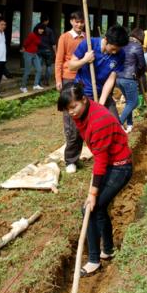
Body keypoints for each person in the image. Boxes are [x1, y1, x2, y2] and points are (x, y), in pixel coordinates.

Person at [58, 82, 132, 276]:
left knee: (89, 208)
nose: (71, 113)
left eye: (73, 107)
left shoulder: (99, 120)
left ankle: (93, 260)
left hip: (120, 167)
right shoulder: (82, 114)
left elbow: (100, 160)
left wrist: (93, 192)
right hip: (109, 163)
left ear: (84, 99)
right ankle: (107, 250)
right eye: (67, 109)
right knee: (98, 208)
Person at [68, 25, 129, 120]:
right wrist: (84, 60)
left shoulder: (121, 54)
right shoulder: (89, 44)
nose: (114, 53)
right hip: (83, 92)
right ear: (105, 40)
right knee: (82, 127)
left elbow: (111, 79)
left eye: (117, 50)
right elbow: (71, 66)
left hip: (102, 92)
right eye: (113, 49)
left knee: (114, 122)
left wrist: (100, 104)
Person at [54, 10, 85, 173]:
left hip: (82, 80)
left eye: (82, 22)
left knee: (82, 117)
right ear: (72, 22)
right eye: (77, 22)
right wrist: (58, 79)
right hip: (68, 78)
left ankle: (76, 156)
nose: (79, 25)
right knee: (70, 118)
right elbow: (59, 60)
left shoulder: (86, 38)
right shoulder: (65, 37)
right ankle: (70, 160)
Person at [116, 28, 146, 133]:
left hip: (118, 78)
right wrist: (139, 74)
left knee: (129, 101)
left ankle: (129, 125)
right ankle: (118, 123)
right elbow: (142, 65)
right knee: (134, 102)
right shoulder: (138, 46)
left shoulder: (123, 44)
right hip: (129, 78)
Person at [20, 23, 46, 93]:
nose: (41, 30)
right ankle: (23, 87)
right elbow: (26, 43)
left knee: (39, 69)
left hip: (35, 54)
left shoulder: (39, 36)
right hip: (28, 54)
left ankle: (36, 85)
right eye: (40, 29)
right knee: (27, 71)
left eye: (43, 29)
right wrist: (23, 49)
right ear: (37, 29)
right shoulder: (32, 35)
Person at [37, 15, 56, 86]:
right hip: (47, 50)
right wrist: (55, 52)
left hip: (38, 50)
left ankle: (38, 82)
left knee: (39, 66)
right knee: (48, 66)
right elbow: (53, 43)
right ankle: (46, 81)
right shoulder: (49, 30)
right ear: (47, 21)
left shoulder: (36, 28)